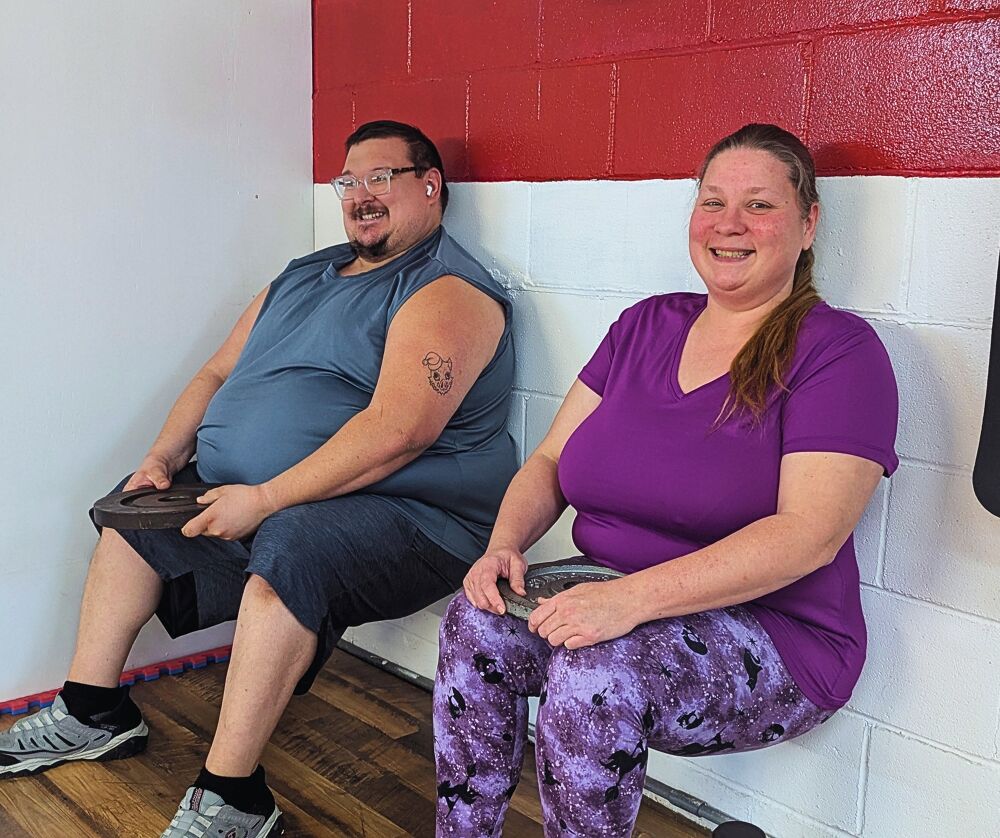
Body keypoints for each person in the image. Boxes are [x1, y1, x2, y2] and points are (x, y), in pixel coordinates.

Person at [0, 120, 518, 838]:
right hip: (277, 495)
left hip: (414, 513)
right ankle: (94, 710)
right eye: (348, 181)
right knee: (135, 510)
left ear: (430, 186)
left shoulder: (446, 289)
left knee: (295, 542)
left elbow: (398, 434)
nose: (361, 195)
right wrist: (162, 458)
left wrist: (265, 498)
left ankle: (232, 795)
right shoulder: (304, 274)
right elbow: (217, 371)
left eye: (382, 177)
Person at [433, 123, 898, 837]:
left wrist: (628, 602)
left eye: (760, 205)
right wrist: (503, 546)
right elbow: (551, 462)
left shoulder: (840, 352)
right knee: (476, 620)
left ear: (809, 225)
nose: (729, 224)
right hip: (612, 594)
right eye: (713, 202)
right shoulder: (644, 326)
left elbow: (808, 536)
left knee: (593, 670)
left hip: (778, 632)